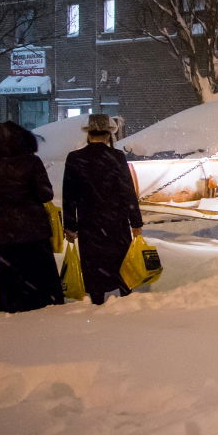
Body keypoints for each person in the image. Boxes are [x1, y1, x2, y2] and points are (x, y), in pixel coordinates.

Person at [0, 121, 64, 313]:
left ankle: (10, 304)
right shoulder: (32, 162)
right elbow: (46, 195)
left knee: (9, 275)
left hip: (6, 229)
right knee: (38, 272)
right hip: (34, 228)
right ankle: (41, 302)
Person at [62, 114, 143, 305]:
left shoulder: (75, 158)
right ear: (108, 135)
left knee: (93, 262)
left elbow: (69, 195)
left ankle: (97, 298)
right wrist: (136, 222)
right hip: (116, 219)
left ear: (88, 134)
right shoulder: (116, 157)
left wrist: (70, 225)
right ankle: (125, 296)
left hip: (89, 221)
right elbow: (127, 190)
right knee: (120, 259)